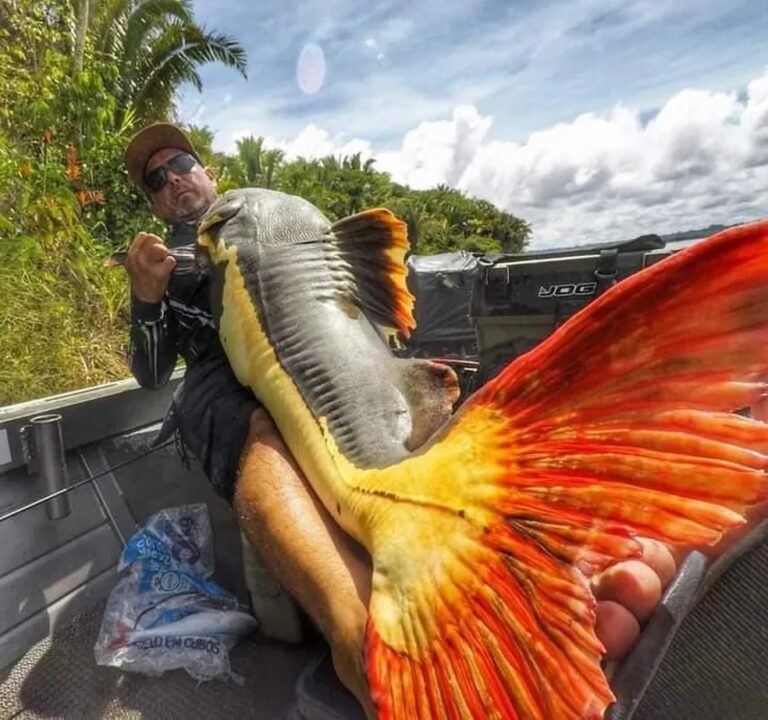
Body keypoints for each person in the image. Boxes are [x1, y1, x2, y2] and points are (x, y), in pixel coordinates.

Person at [121, 122, 692, 714]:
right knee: (254, 428)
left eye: (180, 162)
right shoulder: (166, 266)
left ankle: (521, 562)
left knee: (419, 379)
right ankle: (359, 640)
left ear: (207, 168)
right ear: (154, 200)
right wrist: (146, 296)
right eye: (155, 179)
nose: (172, 180)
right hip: (222, 385)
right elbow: (152, 374)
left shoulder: (276, 219)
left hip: (327, 353)